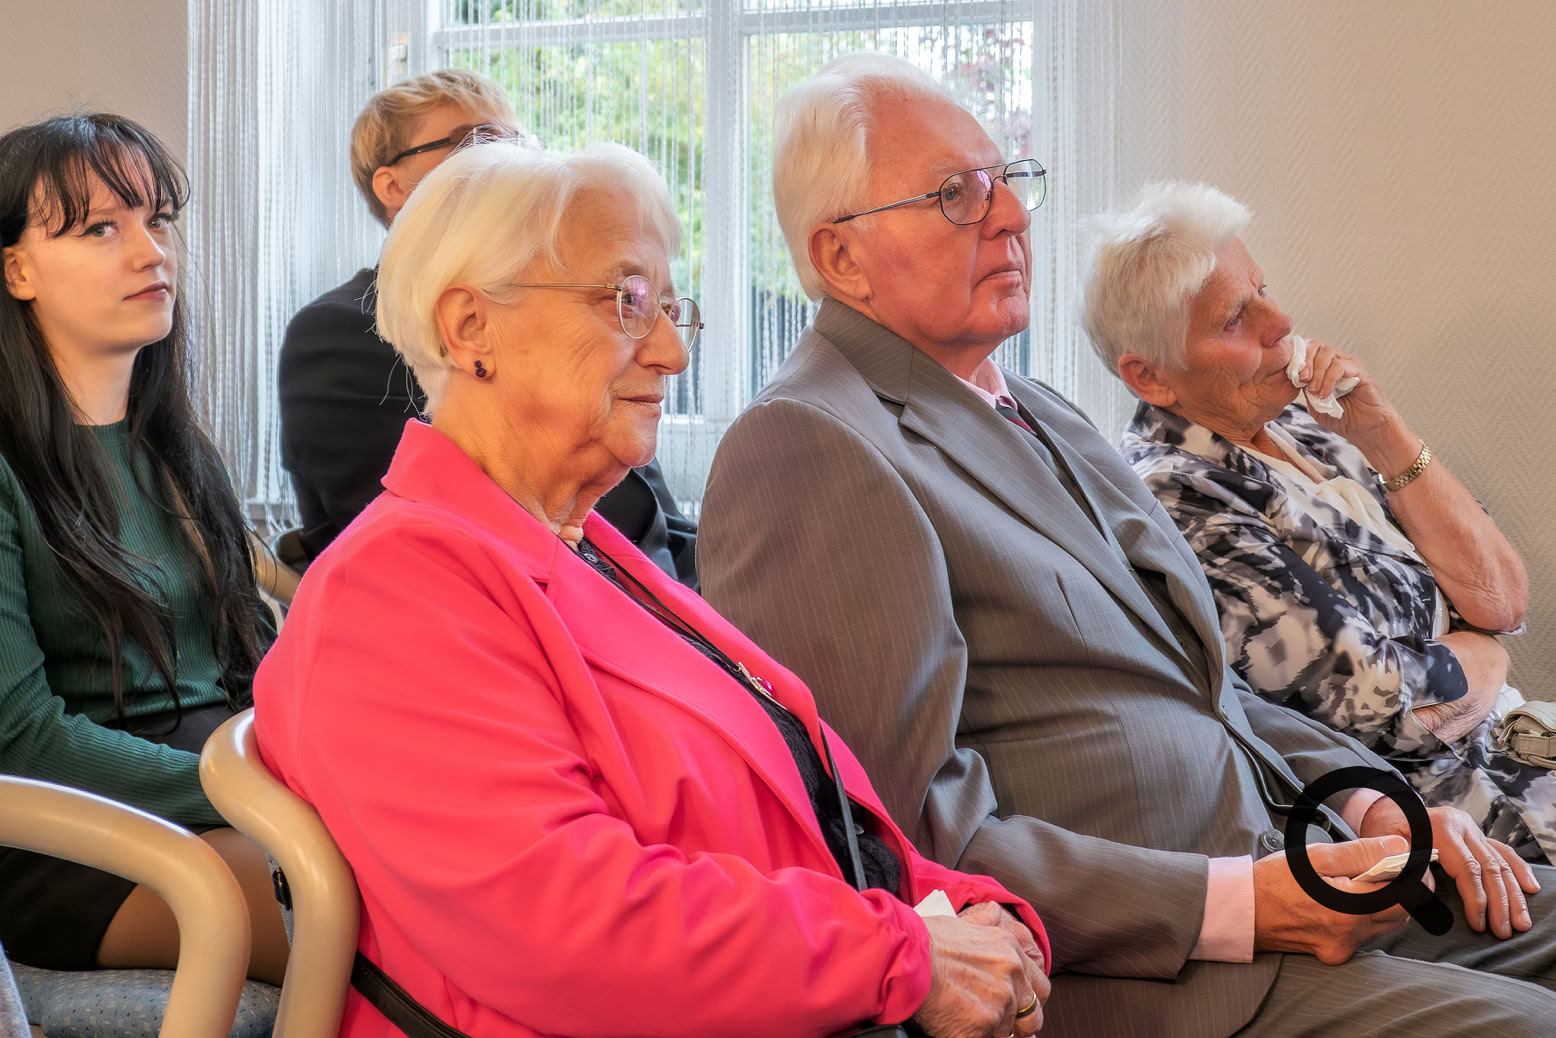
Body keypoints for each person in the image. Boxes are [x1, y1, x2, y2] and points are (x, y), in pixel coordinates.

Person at [697, 53, 1556, 1037]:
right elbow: (903, 835)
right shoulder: (811, 442)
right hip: (1164, 971)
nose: (1012, 217)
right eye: (955, 195)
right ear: (840, 256)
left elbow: (1206, 693)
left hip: (1298, 862)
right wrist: (1240, 903)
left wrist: (1377, 810)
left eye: (1007, 183)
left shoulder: (1036, 407)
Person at [253, 138, 1050, 1038]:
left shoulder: (584, 542)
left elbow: (812, 807)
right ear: (470, 327)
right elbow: (563, 927)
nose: (671, 351)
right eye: (628, 300)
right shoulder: (393, 592)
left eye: (674, 307)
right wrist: (900, 956)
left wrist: (969, 912)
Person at [1086, 182, 1552, 864]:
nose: (1281, 321)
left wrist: (1386, 435)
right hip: (1459, 822)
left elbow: (1502, 598)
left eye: (1265, 290)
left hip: (1523, 745)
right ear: (1150, 376)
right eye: (1235, 320)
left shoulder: (1310, 426)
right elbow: (1386, 713)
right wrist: (1484, 654)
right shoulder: (1182, 501)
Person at [0, 114, 286, 983]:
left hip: (225, 793)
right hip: (72, 831)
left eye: (157, 220)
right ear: (15, 270)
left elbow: (249, 669)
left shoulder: (180, 450)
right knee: (374, 910)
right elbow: (22, 739)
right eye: (100, 228)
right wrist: (258, 799)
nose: (151, 251)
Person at [279, 68, 698, 585]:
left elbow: (663, 522)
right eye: (477, 145)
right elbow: (430, 551)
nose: (509, 162)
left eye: (519, 143)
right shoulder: (336, 333)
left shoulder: (593, 331)